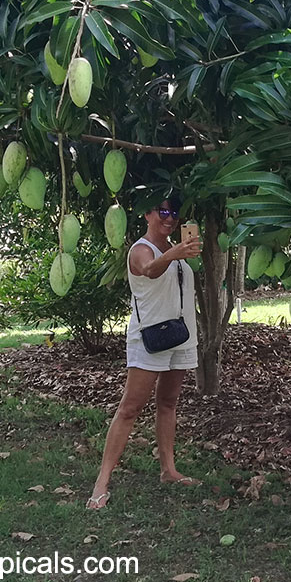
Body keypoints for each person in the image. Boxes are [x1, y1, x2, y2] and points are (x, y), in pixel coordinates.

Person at [87, 197, 202, 510]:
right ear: (147, 213)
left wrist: (180, 253)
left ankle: (169, 470)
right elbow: (149, 270)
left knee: (168, 402)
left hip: (179, 335)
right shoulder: (141, 249)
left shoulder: (177, 250)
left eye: (174, 212)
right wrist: (175, 252)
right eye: (163, 212)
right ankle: (102, 482)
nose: (170, 218)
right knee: (129, 408)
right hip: (150, 339)